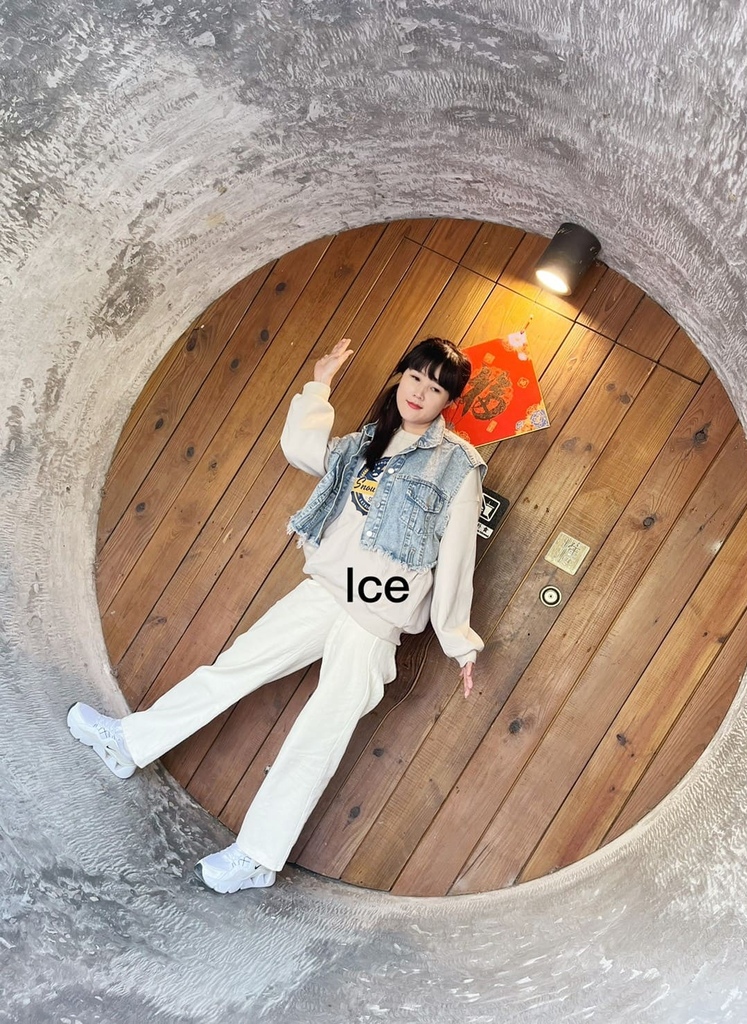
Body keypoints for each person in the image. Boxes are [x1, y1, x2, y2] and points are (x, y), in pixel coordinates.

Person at [68, 337, 487, 893]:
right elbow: (301, 448)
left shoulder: (457, 465)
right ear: (401, 376)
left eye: (435, 388)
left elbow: (457, 556)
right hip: (327, 591)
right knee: (236, 667)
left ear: (447, 402)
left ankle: (258, 857)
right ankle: (130, 744)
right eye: (415, 377)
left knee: (318, 734)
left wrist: (457, 639)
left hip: (374, 618)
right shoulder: (367, 441)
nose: (419, 392)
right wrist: (320, 383)